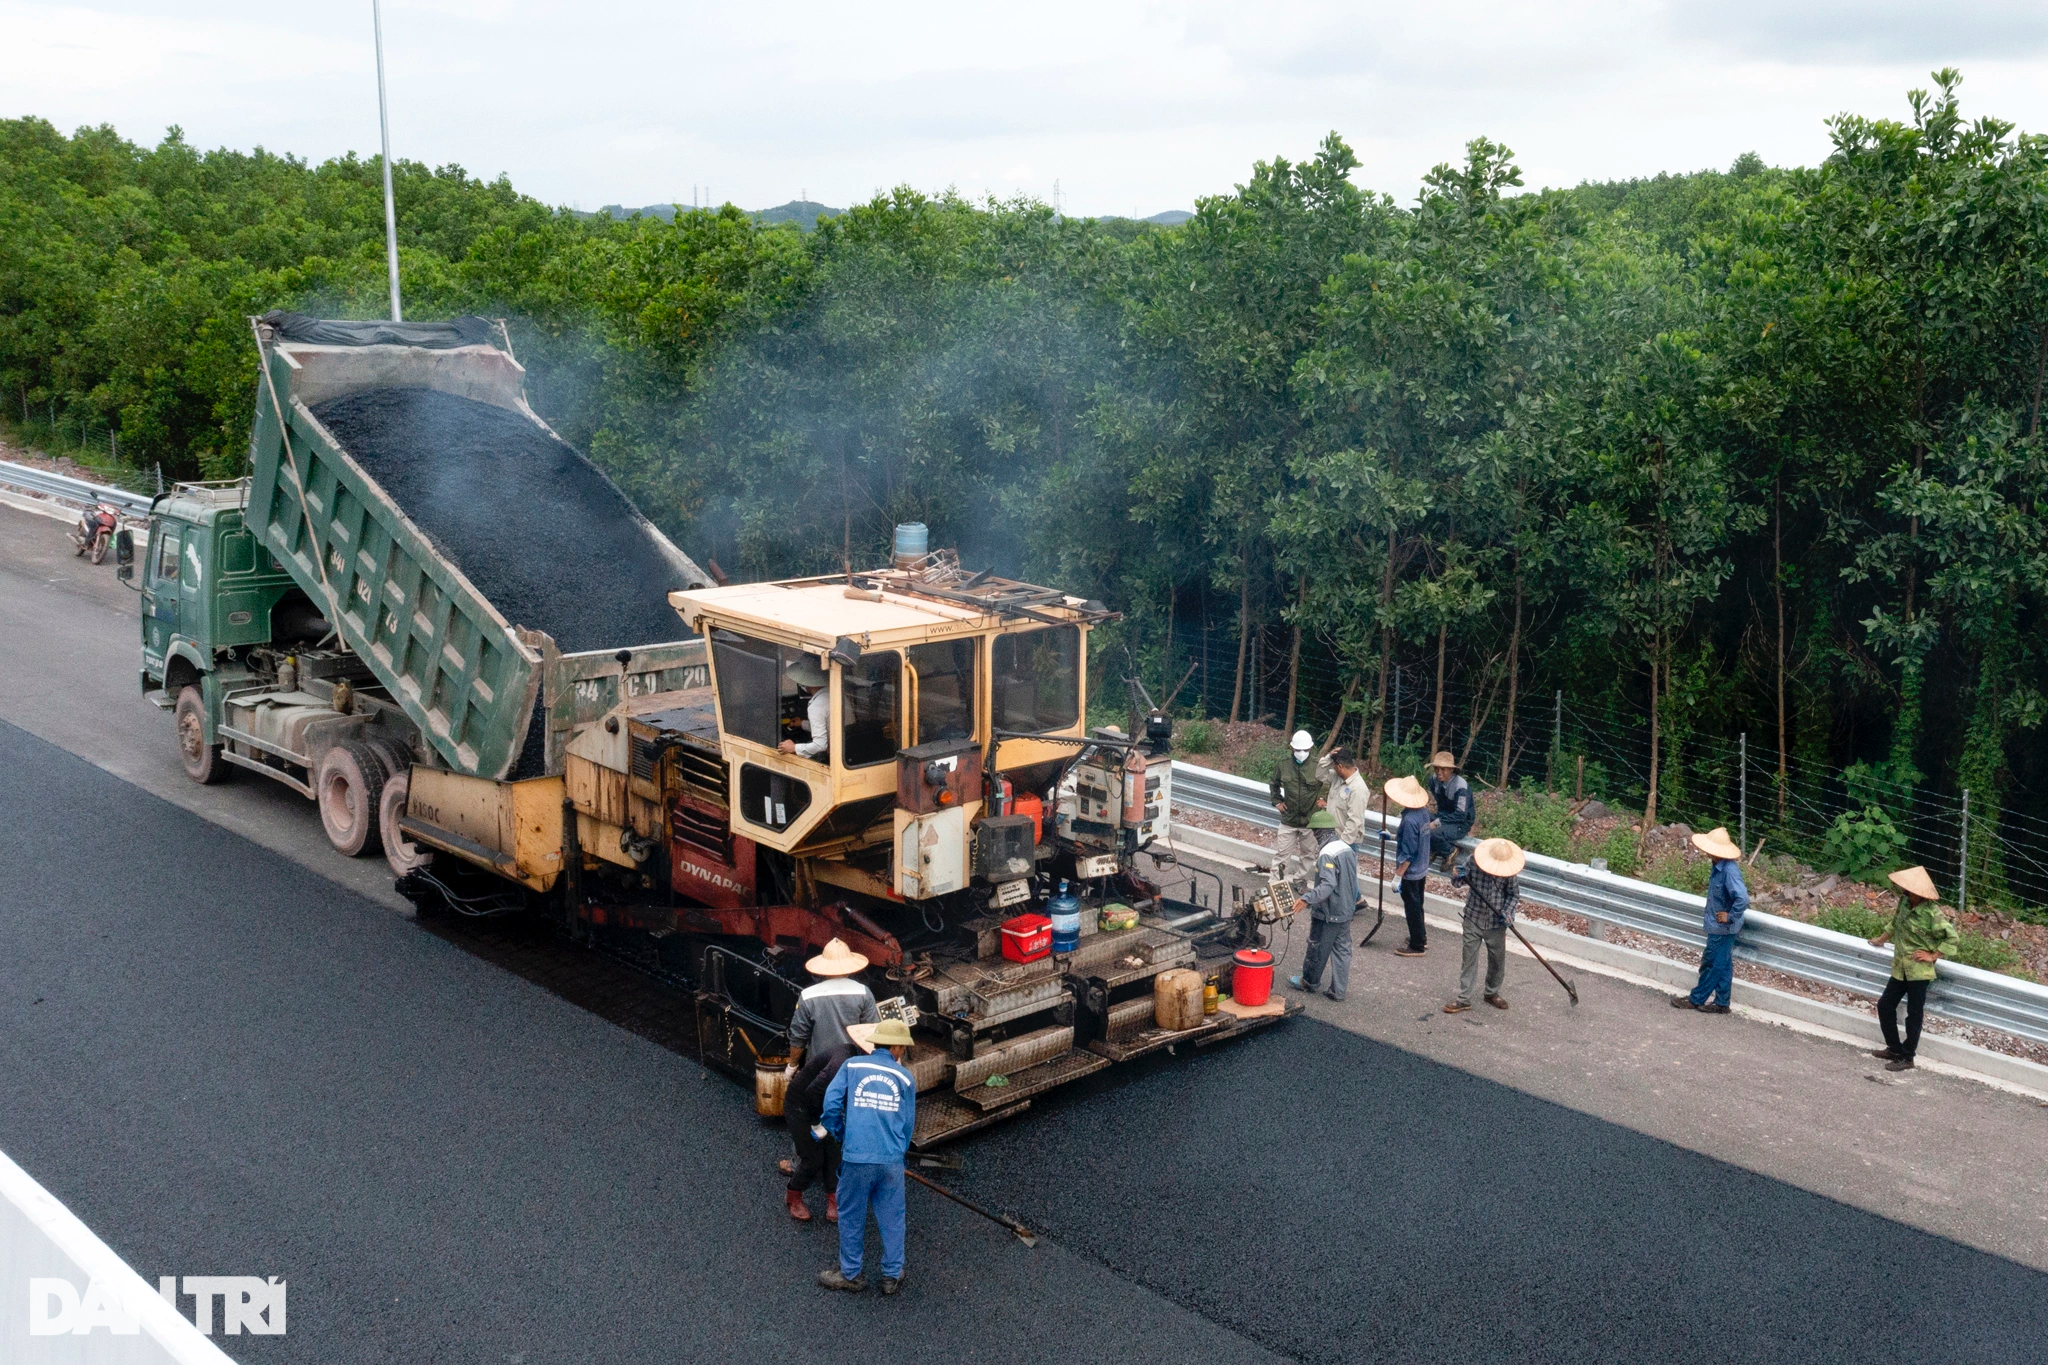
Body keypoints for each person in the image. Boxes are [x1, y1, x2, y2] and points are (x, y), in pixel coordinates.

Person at [817, 1018, 918, 1295]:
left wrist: (840, 1133)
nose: (903, 1052)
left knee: (851, 1214)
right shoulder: (905, 1078)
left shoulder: (852, 1067)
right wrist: (898, 1153)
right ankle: (891, 1275)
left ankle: (851, 1274)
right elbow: (907, 1124)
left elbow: (831, 1104)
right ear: (896, 1047)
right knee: (893, 1216)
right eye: (903, 1047)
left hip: (856, 1157)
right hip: (890, 1161)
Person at [780, 1023, 875, 1223]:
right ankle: (793, 1195)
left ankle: (834, 1200)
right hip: (802, 1105)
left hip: (825, 1105)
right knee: (812, 1158)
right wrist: (819, 1126)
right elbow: (812, 1092)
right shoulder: (841, 1062)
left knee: (834, 1154)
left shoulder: (859, 1059)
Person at [1867, 865, 1959, 1072]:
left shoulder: (1932, 914)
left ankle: (1908, 1057)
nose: (1904, 891)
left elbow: (1952, 938)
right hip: (1900, 967)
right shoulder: (1904, 903)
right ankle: (1894, 1048)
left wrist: (1933, 955)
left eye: (1908, 889)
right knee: (1885, 1006)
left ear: (1919, 893)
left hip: (1918, 971)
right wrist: (1881, 940)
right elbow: (1895, 924)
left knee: (1913, 1014)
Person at [1672, 827, 1747, 1014]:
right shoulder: (1718, 866)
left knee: (1712, 964)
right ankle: (1722, 1003)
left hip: (1723, 928)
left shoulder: (1729, 871)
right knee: (1723, 965)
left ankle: (1696, 999)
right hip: (1721, 926)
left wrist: (1729, 916)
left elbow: (1742, 898)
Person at [1445, 838, 1523, 1013]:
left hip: (1496, 923)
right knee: (1469, 959)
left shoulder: (1509, 873)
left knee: (1497, 960)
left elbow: (1513, 896)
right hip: (1473, 917)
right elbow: (1458, 883)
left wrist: (1508, 913)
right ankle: (1464, 998)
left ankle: (1491, 992)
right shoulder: (1474, 860)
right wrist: (1456, 874)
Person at [787, 938, 879, 1073]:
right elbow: (871, 1032)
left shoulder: (808, 996)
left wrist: (792, 1065)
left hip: (819, 1068)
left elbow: (798, 1036)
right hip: (852, 1066)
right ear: (850, 967)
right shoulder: (864, 992)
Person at [1286, 836, 1360, 1001]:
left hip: (1329, 912)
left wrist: (1307, 898)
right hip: (1345, 909)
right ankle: (1338, 991)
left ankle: (1309, 982)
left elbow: (1328, 884)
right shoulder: (1346, 848)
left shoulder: (1327, 853)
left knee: (1317, 946)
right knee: (1342, 950)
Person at [1386, 774, 1433, 957]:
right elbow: (1413, 838)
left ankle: (1417, 945)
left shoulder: (1409, 820)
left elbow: (1408, 852)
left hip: (1411, 872)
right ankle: (1421, 936)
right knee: (1418, 903)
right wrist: (1392, 837)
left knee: (1412, 907)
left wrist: (1398, 876)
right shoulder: (1423, 813)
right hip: (1422, 868)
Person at [1268, 729, 1322, 881]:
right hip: (1289, 819)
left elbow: (1328, 784)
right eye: (1298, 750)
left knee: (1308, 854)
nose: (1301, 753)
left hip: (1310, 821)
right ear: (1292, 748)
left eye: (1305, 750)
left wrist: (1323, 800)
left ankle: (1300, 879)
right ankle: (1276, 882)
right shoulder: (1283, 765)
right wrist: (1277, 801)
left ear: (1310, 748)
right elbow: (1274, 783)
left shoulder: (1318, 766)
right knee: (1282, 853)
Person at [1426, 751, 1473, 875]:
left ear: (1451, 770)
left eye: (1444, 769)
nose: (1439, 772)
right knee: (1421, 819)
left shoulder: (1461, 788)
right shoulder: (1433, 781)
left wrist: (1436, 823)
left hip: (1460, 822)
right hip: (1444, 815)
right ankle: (1435, 848)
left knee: (1431, 831)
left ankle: (1450, 852)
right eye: (1437, 768)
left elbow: (1460, 815)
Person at [778, 657, 831, 761]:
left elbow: (820, 745)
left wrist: (793, 748)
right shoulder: (835, 694)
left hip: (830, 757)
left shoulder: (816, 706)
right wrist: (802, 723)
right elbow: (828, 727)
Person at [1320, 747, 1371, 850]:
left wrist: (1341, 845)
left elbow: (1354, 820)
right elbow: (1319, 775)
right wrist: (1328, 757)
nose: (1333, 768)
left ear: (1340, 767)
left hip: (1346, 842)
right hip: (1331, 836)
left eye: (1334, 766)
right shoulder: (1337, 777)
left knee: (1344, 866)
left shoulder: (1358, 789)